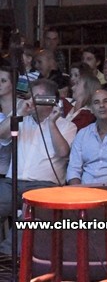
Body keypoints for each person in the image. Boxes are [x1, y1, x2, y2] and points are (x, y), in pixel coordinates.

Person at [0, 79, 77, 225]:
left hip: (43, 186)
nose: (30, 101)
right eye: (30, 97)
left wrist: (52, 123)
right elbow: (2, 135)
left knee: (29, 222)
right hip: (12, 183)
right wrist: (19, 113)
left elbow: (63, 153)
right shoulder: (20, 119)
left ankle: (12, 241)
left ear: (50, 100)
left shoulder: (67, 126)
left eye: (36, 97)